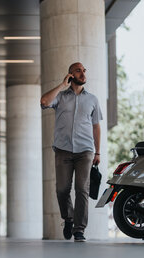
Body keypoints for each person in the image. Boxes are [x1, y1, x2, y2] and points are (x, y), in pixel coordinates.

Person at [40, 62, 102, 242]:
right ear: (70, 75)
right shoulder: (60, 97)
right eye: (78, 71)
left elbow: (96, 126)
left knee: (82, 189)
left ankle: (79, 229)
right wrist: (61, 85)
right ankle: (68, 218)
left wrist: (98, 152)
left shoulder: (92, 99)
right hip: (63, 150)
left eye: (84, 70)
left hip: (85, 151)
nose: (83, 74)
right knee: (62, 189)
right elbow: (44, 102)